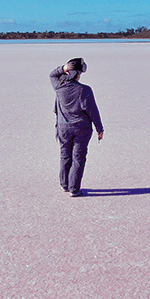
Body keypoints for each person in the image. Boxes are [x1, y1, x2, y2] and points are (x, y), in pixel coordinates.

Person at [50, 57, 104, 197]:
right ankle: (74, 189)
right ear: (78, 74)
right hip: (82, 129)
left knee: (65, 156)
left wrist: (62, 68)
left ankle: (65, 185)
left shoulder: (59, 86)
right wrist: (100, 128)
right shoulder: (85, 90)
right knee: (78, 158)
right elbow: (93, 111)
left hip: (63, 128)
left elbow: (52, 74)